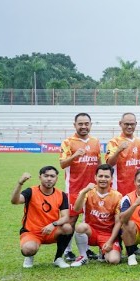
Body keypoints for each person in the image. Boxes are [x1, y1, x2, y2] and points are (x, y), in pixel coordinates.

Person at [11, 166, 73, 269]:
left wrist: (53, 224)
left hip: (51, 231)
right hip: (32, 232)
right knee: (28, 249)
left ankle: (58, 258)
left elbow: (66, 217)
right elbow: (15, 201)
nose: (49, 178)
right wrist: (20, 183)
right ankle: (30, 256)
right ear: (40, 177)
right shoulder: (31, 192)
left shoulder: (61, 195)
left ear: (56, 178)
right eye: (46, 176)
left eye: (52, 176)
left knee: (67, 228)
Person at [59, 112, 100, 261]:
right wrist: (75, 155)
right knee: (71, 220)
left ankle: (87, 249)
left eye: (86, 124)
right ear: (75, 125)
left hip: (92, 189)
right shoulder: (68, 142)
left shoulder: (95, 141)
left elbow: (99, 164)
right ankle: (67, 250)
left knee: (89, 220)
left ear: (90, 125)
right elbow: (62, 164)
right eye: (80, 124)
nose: (83, 126)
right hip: (74, 189)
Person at [71, 164, 122, 266]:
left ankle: (103, 252)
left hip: (107, 235)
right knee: (81, 227)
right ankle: (83, 256)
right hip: (91, 232)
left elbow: (118, 222)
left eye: (107, 176)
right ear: (95, 177)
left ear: (111, 179)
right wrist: (84, 191)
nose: (103, 179)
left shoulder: (117, 196)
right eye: (100, 176)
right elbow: (76, 209)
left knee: (114, 260)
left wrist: (110, 241)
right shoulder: (87, 192)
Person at [105, 112, 140, 196]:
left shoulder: (139, 142)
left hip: (137, 189)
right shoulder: (114, 142)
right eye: (126, 124)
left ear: (136, 124)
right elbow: (109, 163)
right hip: (119, 188)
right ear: (120, 124)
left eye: (132, 124)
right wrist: (119, 150)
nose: (129, 127)